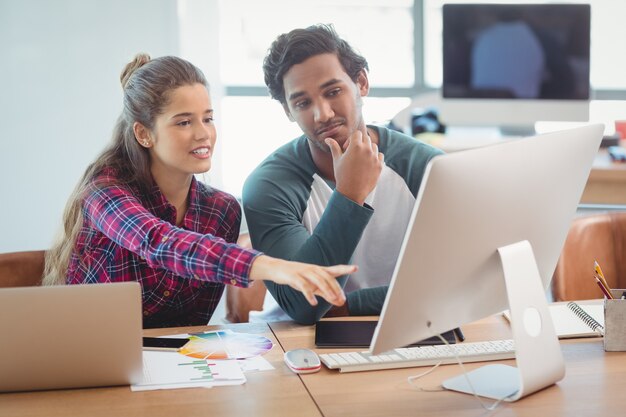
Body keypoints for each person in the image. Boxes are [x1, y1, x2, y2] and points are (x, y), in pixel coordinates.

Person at [42, 53, 355, 328]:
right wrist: (272, 266)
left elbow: (194, 328)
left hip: (179, 369)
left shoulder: (222, 211)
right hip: (88, 361)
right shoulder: (105, 192)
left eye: (208, 118)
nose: (203, 133)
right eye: (183, 123)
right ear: (144, 134)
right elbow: (159, 243)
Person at [242, 24, 443, 325]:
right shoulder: (268, 186)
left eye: (333, 91)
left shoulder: (428, 168)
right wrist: (349, 194)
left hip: (410, 328)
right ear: (288, 111)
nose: (322, 114)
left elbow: (454, 282)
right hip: (299, 344)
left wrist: (346, 306)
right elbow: (304, 305)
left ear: (361, 83)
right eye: (303, 103)